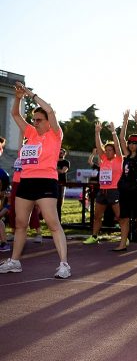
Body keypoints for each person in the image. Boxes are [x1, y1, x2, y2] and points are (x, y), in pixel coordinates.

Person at [0, 82, 71, 278]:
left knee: (52, 223)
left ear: (49, 121)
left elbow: (50, 109)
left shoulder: (55, 134)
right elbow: (15, 115)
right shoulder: (30, 133)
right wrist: (18, 97)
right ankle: (14, 261)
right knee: (20, 223)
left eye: (39, 119)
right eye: (34, 119)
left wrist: (30, 94)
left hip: (46, 181)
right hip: (26, 182)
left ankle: (64, 264)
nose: (36, 122)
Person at [113, 109, 137, 254]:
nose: (132, 145)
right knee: (123, 218)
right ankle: (122, 244)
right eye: (131, 143)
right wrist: (124, 121)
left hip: (136, 189)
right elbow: (121, 138)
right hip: (124, 189)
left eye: (135, 143)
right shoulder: (127, 156)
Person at [83, 122, 123, 245]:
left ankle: (124, 237)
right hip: (103, 190)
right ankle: (94, 236)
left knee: (119, 216)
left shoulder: (119, 158)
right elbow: (98, 146)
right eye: (106, 150)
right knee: (97, 216)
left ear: (114, 151)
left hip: (114, 191)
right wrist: (97, 132)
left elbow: (117, 144)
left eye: (110, 150)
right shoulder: (103, 158)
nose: (107, 152)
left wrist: (113, 132)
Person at [56, 148, 70, 221]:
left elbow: (62, 171)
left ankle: (58, 218)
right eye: (59, 152)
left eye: (61, 153)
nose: (60, 154)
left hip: (61, 183)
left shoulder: (66, 162)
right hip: (53, 182)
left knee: (60, 200)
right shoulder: (54, 161)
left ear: (64, 154)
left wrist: (55, 169)